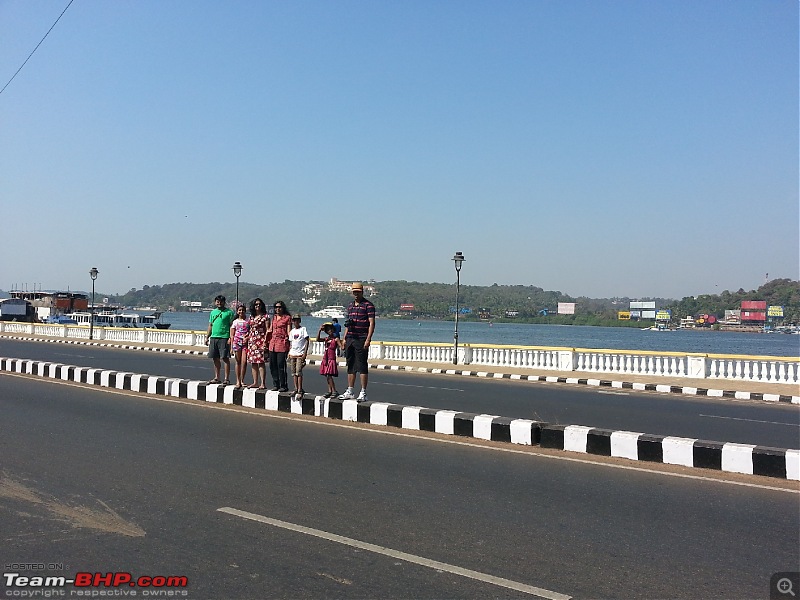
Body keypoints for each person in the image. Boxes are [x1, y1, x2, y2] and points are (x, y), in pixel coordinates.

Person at [339, 282, 375, 402]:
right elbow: (348, 324)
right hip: (350, 338)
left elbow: (371, 323)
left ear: (362, 292)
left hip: (361, 338)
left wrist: (368, 339)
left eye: (358, 292)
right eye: (354, 292)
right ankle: (350, 390)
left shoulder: (368, 306)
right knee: (350, 365)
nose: (356, 294)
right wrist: (344, 339)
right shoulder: (350, 306)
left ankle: (363, 391)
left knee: (362, 365)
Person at [205, 295, 235, 384]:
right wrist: (207, 337)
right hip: (214, 337)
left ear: (224, 302)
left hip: (224, 337)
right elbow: (210, 325)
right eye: (217, 301)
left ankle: (226, 378)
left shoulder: (229, 312)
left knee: (225, 358)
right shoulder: (213, 312)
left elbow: (231, 326)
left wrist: (230, 337)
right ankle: (217, 377)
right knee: (215, 358)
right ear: (215, 302)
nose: (219, 303)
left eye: (221, 301)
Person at [268, 300, 292, 392]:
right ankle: (276, 384)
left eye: (279, 307)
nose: (278, 309)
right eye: (276, 307)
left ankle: (283, 385)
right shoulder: (273, 318)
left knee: (280, 365)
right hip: (272, 343)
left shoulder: (287, 318)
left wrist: (292, 342)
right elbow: (270, 329)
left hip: (282, 343)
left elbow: (289, 331)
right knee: (272, 365)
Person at [247, 298, 270, 389]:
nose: (258, 306)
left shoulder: (265, 317)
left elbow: (268, 330)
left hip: (261, 341)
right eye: (256, 305)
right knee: (253, 362)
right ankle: (255, 382)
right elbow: (250, 329)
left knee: (261, 362)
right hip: (252, 341)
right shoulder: (251, 317)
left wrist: (266, 342)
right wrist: (247, 337)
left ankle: (262, 383)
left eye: (259, 304)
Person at [287, 315, 309, 398]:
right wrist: (289, 352)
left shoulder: (303, 329)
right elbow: (291, 343)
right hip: (293, 354)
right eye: (294, 320)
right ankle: (295, 388)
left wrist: (305, 353)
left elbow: (307, 340)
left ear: (299, 321)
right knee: (293, 373)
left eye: (297, 320)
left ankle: (300, 389)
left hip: (300, 354)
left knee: (298, 372)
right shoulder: (292, 331)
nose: (295, 322)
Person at [230, 304, 250, 388]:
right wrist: (231, 347)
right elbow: (232, 335)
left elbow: (251, 331)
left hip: (245, 343)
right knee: (238, 362)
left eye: (243, 310)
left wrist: (247, 337)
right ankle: (238, 380)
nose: (241, 312)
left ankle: (242, 380)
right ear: (237, 311)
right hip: (236, 342)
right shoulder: (235, 322)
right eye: (239, 310)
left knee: (244, 362)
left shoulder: (248, 321)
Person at [317, 322, 340, 398]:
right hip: (326, 358)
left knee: (329, 375)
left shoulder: (336, 339)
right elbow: (318, 339)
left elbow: (342, 347)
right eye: (328, 330)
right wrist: (319, 330)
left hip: (331, 358)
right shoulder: (326, 339)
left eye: (330, 329)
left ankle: (334, 390)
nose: (329, 331)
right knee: (326, 375)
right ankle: (330, 390)